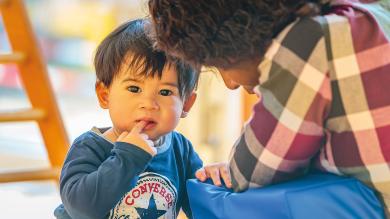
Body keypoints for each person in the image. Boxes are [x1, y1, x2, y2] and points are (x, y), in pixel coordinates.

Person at [147, 0, 390, 216]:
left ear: (237, 36)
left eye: (219, 63)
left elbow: (249, 174)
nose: (230, 83)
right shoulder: (373, 12)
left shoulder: (309, 42)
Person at [53, 18, 231, 219]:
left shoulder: (180, 149)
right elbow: (81, 209)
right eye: (134, 89)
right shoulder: (90, 147)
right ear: (105, 95)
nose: (149, 103)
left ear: (186, 103)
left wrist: (215, 182)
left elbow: (200, 208)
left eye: (165, 92)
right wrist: (128, 157)